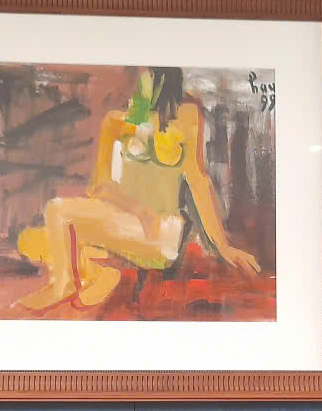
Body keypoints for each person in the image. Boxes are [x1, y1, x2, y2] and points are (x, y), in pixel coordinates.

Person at [16, 67, 260, 312]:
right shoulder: (116, 121)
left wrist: (222, 245)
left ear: (165, 78)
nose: (138, 82)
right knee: (31, 239)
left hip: (162, 232)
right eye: (138, 75)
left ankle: (69, 283)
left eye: (148, 75)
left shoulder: (187, 115)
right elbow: (99, 187)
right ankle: (96, 274)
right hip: (127, 222)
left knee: (57, 214)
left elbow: (198, 181)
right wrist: (139, 210)